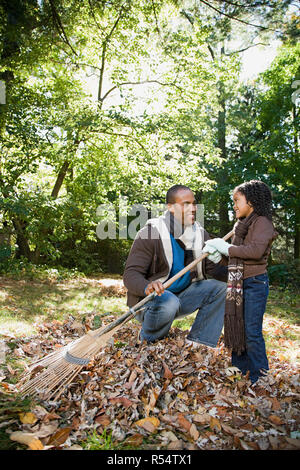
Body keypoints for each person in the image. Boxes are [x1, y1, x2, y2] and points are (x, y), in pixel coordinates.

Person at [123, 184, 228, 349]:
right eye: (185, 204)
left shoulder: (199, 234)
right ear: (170, 208)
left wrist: (234, 259)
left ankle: (199, 343)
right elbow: (130, 275)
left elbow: (214, 270)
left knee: (221, 289)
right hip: (150, 301)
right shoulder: (151, 233)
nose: (193, 208)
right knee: (168, 300)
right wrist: (147, 286)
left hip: (183, 297)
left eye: (194, 203)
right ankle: (148, 341)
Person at [203, 180, 277, 384]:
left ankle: (260, 378)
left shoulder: (262, 222)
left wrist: (225, 248)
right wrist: (220, 256)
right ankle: (237, 374)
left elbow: (255, 251)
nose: (234, 205)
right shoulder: (241, 225)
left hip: (255, 283)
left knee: (251, 331)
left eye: (237, 201)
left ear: (251, 202)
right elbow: (237, 258)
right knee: (237, 328)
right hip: (239, 283)